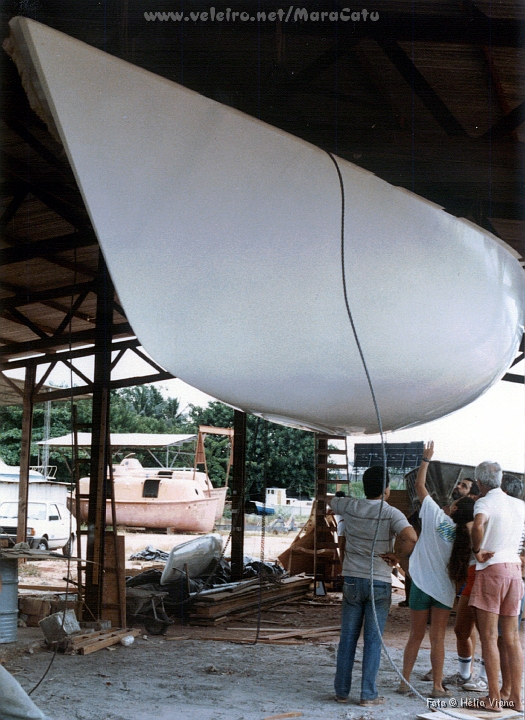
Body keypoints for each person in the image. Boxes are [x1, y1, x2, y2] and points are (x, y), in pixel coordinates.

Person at [328, 466, 417, 706]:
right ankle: (368, 695)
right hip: (378, 579)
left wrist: (338, 499)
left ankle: (341, 692)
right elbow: (411, 537)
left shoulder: (350, 506)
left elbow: (328, 501)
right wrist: (397, 556)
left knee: (347, 637)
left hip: (352, 579)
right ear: (386, 489)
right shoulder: (391, 513)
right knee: (373, 640)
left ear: (364, 487)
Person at [398, 441, 475, 699]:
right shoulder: (463, 539)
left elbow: (420, 486)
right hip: (443, 591)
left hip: (420, 585)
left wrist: (426, 460)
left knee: (415, 636)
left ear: (453, 509)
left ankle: (403, 682)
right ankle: (437, 686)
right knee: (438, 639)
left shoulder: (435, 517)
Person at [469, 461, 525, 712]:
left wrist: (477, 550)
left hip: (492, 569)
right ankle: (515, 697)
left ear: (479, 483)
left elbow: (478, 524)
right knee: (513, 638)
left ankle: (493, 698)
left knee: (489, 637)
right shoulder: (519, 504)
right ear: (500, 479)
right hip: (514, 571)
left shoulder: (483, 502)